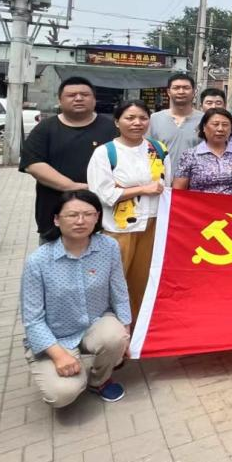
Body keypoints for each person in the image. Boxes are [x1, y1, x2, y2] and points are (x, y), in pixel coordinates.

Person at [21, 189, 130, 406]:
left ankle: (99, 381)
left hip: (96, 324)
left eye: (88, 214)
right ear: (56, 219)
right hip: (56, 337)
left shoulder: (109, 247)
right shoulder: (38, 261)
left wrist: (126, 332)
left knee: (116, 337)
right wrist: (59, 356)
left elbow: (119, 291)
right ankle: (70, 370)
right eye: (72, 215)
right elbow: (32, 320)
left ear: (97, 217)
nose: (80, 221)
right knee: (62, 394)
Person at [86, 101, 167, 322]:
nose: (137, 123)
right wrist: (142, 189)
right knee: (115, 280)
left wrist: (126, 188)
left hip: (153, 224)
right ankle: (111, 327)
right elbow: (102, 193)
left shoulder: (158, 149)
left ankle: (138, 328)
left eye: (142, 118)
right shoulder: (105, 153)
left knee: (144, 281)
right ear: (117, 122)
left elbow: (165, 187)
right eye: (130, 118)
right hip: (119, 228)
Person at [20, 76, 119, 241]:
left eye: (84, 95)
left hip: (105, 216)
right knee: (54, 257)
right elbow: (33, 164)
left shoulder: (112, 128)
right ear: (60, 101)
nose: (78, 98)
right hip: (56, 216)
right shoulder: (45, 128)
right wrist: (75, 187)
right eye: (71, 95)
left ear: (94, 100)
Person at [172, 108, 232, 195]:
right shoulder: (189, 156)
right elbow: (178, 191)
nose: (220, 129)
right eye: (215, 124)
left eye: (225, 125)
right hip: (199, 203)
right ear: (204, 127)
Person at [149, 72, 203, 181]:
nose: (181, 91)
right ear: (169, 92)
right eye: (176, 88)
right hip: (161, 183)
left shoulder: (205, 119)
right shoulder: (154, 119)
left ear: (194, 92)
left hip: (195, 183)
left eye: (186, 88)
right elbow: (147, 150)